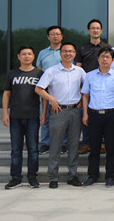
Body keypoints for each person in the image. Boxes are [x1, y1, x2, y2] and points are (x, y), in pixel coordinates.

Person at [35, 42, 86, 189]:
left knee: (73, 144)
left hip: (75, 111)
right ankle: (53, 177)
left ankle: (72, 175)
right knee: (55, 145)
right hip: (58, 111)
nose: (68, 54)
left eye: (71, 51)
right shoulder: (51, 71)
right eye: (65, 51)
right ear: (60, 53)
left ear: (74, 54)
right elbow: (39, 89)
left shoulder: (79, 71)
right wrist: (51, 98)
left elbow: (87, 88)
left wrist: (82, 99)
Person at [2, 46, 44, 189]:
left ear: (33, 56)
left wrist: (44, 113)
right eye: (24, 54)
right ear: (18, 56)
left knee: (33, 149)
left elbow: (44, 94)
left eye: (29, 54)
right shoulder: (12, 73)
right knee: (16, 149)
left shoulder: (39, 73)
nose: (27, 56)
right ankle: (16, 178)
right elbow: (6, 93)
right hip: (15, 116)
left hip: (33, 116)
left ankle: (32, 177)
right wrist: (5, 113)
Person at [81, 47, 114, 187]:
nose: (105, 59)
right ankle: (92, 176)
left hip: (111, 115)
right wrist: (85, 114)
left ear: (112, 60)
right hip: (94, 115)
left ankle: (110, 176)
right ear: (98, 58)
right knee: (94, 147)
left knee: (111, 147)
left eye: (108, 57)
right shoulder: (90, 75)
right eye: (102, 57)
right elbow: (85, 95)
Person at [75, 19, 109, 155]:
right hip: (87, 86)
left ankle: (102, 143)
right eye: (93, 28)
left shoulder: (107, 47)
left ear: (101, 31)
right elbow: (78, 68)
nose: (95, 30)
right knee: (86, 114)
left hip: (104, 86)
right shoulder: (82, 48)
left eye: (98, 28)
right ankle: (86, 143)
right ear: (88, 31)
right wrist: (79, 87)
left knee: (102, 115)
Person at [37, 25, 64, 155]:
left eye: (58, 34)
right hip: (45, 89)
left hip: (62, 88)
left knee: (62, 117)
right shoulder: (42, 53)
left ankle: (63, 143)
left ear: (62, 36)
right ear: (48, 37)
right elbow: (38, 70)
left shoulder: (66, 51)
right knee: (45, 116)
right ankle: (45, 143)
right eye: (52, 34)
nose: (55, 36)